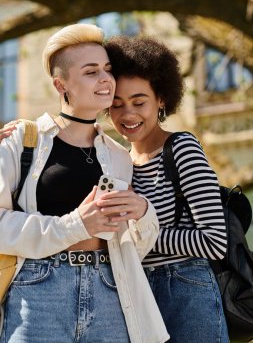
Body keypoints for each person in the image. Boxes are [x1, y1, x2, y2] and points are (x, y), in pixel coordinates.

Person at [0, 25, 170, 343]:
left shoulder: (120, 156)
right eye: (91, 71)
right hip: (38, 292)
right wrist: (76, 225)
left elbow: (132, 246)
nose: (105, 79)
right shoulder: (21, 141)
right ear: (60, 84)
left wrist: (144, 212)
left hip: (111, 291)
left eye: (107, 69)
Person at [104, 36, 229, 343]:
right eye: (117, 105)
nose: (128, 114)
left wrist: (143, 229)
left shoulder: (182, 147)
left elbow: (214, 242)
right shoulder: (116, 161)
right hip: (136, 294)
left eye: (139, 102)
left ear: (161, 98)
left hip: (185, 289)